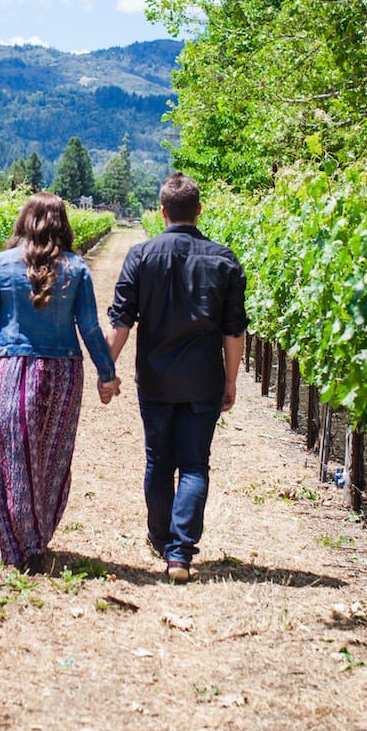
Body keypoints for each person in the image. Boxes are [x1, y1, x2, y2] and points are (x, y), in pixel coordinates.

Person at [106, 173, 247, 583]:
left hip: (155, 379)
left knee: (158, 460)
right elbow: (234, 329)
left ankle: (161, 536)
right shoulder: (224, 259)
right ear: (199, 211)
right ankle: (181, 552)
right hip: (204, 379)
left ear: (162, 211)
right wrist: (231, 380)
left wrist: (106, 367)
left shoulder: (141, 255)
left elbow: (121, 320)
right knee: (194, 465)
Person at [0, 193, 120, 573]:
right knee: (52, 458)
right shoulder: (76, 268)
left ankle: (22, 544)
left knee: (11, 458)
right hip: (62, 374)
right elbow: (89, 327)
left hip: (10, 369)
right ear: (63, 225)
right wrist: (107, 374)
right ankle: (38, 538)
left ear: (24, 221)